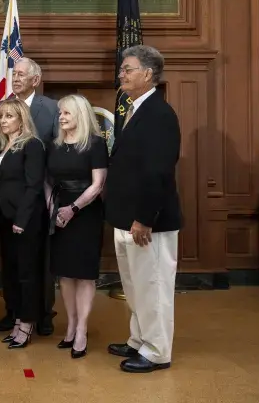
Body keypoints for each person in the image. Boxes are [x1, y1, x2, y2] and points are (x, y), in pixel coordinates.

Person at [105, 44, 182, 373]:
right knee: (135, 286)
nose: (121, 74)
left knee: (154, 287)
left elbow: (158, 172)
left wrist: (143, 218)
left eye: (128, 69)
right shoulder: (133, 109)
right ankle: (139, 340)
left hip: (148, 222)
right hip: (126, 218)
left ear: (149, 74)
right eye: (122, 69)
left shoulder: (160, 115)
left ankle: (156, 351)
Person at [0, 57, 59, 336]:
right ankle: (15, 312)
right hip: (8, 208)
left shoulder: (51, 109)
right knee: (14, 265)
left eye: (21, 74)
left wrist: (49, 198)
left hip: (37, 202)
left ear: (35, 79)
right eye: (13, 74)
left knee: (36, 265)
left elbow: (55, 152)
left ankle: (39, 315)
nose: (15, 78)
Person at [45, 94, 108, 359]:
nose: (61, 117)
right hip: (58, 211)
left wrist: (72, 209)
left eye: (66, 113)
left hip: (85, 213)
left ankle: (82, 329)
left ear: (80, 114)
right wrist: (52, 208)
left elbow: (98, 185)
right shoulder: (54, 145)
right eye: (60, 113)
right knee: (65, 274)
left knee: (84, 273)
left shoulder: (95, 144)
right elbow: (46, 179)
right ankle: (70, 325)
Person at [0, 98, 46, 349]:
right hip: (5, 218)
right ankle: (16, 319)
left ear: (22, 119)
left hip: (24, 219)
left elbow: (33, 185)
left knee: (26, 273)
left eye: (9, 116)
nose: (3, 120)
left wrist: (22, 219)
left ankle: (27, 323)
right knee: (12, 273)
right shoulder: (5, 146)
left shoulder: (32, 145)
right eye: (1, 116)